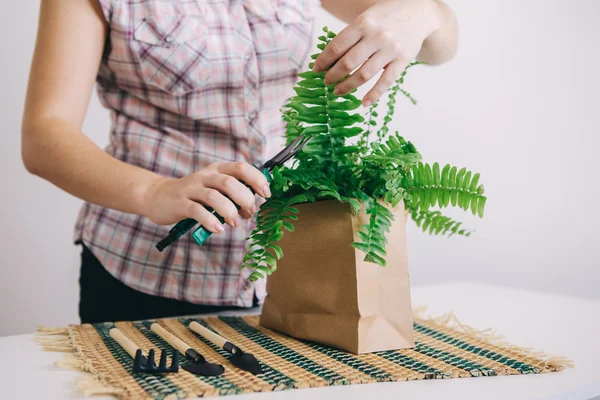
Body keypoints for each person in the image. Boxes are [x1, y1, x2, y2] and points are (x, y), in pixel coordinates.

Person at [21, 0, 458, 324]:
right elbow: (45, 134)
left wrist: (423, 15)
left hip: (289, 272)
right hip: (143, 275)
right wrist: (155, 191)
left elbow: (441, 46)